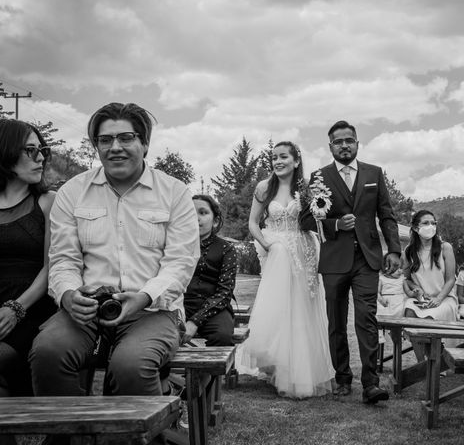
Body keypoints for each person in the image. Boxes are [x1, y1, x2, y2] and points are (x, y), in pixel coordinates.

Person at [29, 103, 199, 414]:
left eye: (126, 137)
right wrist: (67, 295)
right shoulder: (72, 192)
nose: (115, 147)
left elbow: (180, 263)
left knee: (131, 365)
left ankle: (145, 433)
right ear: (96, 145)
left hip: (154, 311)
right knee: (48, 352)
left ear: (144, 143)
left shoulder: (174, 193)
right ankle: (74, 435)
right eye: (105, 140)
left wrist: (143, 297)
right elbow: (63, 259)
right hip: (88, 309)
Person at [299, 120, 401, 404]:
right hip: (334, 260)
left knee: (366, 319)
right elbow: (306, 219)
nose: (344, 145)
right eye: (338, 141)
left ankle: (371, 384)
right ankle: (342, 378)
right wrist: (335, 226)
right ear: (330, 146)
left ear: (357, 143)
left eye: (349, 140)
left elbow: (387, 215)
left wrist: (393, 249)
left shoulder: (374, 174)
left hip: (367, 260)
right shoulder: (319, 177)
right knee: (336, 322)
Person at [237, 141, 333, 398]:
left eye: (283, 157)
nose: (277, 162)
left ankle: (298, 371)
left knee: (302, 307)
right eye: (274, 157)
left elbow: (316, 220)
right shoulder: (264, 188)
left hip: (304, 250)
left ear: (296, 161)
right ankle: (275, 364)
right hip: (276, 250)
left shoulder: (307, 189)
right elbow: (252, 223)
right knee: (279, 307)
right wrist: (268, 243)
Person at [0, 120, 57, 401]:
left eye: (43, 150)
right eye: (31, 150)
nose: (41, 158)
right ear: (6, 152)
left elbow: (52, 266)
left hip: (32, 307)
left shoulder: (48, 201)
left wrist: (15, 308)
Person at [402, 210, 457, 360]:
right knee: (409, 313)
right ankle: (422, 364)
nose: (431, 226)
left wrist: (438, 299)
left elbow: (451, 279)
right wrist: (416, 289)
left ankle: (435, 361)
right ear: (415, 228)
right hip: (422, 299)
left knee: (427, 320)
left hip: (444, 298)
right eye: (426, 223)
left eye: (433, 223)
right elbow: (406, 278)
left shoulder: (446, 248)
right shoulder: (408, 251)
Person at [183, 195, 236, 347]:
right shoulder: (175, 245)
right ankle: (163, 371)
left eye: (203, 212)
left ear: (215, 220)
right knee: (162, 335)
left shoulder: (227, 249)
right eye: (191, 213)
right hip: (179, 305)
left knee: (223, 336)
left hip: (215, 307)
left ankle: (215, 371)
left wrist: (195, 321)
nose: (196, 218)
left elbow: (225, 292)